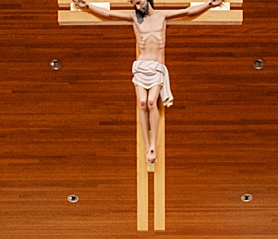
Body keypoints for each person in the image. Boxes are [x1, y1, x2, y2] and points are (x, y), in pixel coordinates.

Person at [69, 0, 223, 165]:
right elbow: (108, 14)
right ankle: (146, 145)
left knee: (151, 102)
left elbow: (187, 12)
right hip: (141, 66)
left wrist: (209, 4)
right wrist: (86, 5)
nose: (137, 7)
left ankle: (153, 146)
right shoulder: (134, 18)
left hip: (156, 67)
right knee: (142, 103)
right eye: (135, 4)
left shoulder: (162, 16)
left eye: (139, 2)